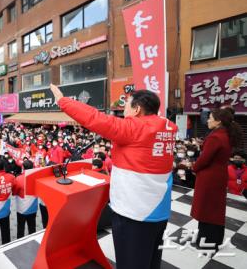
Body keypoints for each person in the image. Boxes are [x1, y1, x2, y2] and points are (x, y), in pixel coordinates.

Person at [50, 84, 177, 269]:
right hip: (159, 211)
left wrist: (62, 100)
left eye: (126, 105)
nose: (123, 110)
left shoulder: (134, 128)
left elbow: (94, 118)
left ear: (137, 109)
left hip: (134, 213)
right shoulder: (168, 127)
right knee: (151, 261)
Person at [191, 108, 243, 251]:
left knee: (206, 210)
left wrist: (194, 167)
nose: (207, 120)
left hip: (209, 177)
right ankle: (215, 240)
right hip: (219, 175)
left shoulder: (215, 137)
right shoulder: (226, 134)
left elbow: (204, 159)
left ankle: (206, 242)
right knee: (215, 209)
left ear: (218, 121)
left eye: (210, 117)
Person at [13, 160, 38, 238]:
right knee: (32, 227)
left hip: (22, 208)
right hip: (33, 207)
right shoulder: (37, 177)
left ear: (23, 167)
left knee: (21, 228)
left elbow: (14, 192)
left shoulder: (18, 179)